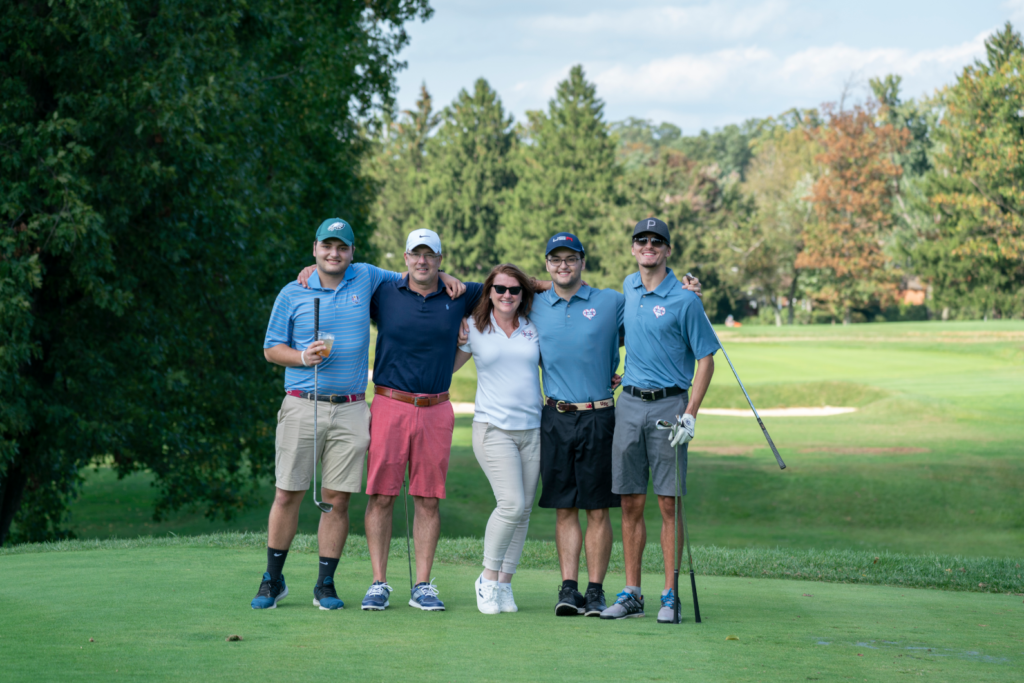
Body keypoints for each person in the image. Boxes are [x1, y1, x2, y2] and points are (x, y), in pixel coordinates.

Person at [253, 219, 463, 611]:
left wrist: (444, 272)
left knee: (337, 500)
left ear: (352, 252)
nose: (334, 254)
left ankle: (325, 585)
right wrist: (301, 357)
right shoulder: (292, 291)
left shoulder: (365, 277)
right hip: (302, 402)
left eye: (342, 247)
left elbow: (414, 274)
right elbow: (270, 349)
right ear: (315, 248)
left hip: (351, 407)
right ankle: (272, 580)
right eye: (327, 247)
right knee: (287, 493)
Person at [600, 217, 719, 623]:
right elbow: (622, 334)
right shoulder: (628, 290)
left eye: (656, 241)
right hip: (629, 405)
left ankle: (670, 594)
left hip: (670, 408)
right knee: (629, 501)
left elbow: (706, 360)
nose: (648, 246)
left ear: (667, 250)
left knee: (668, 503)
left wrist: (690, 413)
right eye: (641, 240)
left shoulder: (686, 300)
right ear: (633, 249)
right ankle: (632, 591)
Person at [360, 229, 484, 612]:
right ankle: (379, 582)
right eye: (417, 254)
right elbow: (342, 272)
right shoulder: (384, 292)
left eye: (430, 255)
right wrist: (308, 270)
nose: (423, 261)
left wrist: (558, 279)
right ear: (405, 257)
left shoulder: (461, 295)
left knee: (428, 499)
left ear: (441, 260)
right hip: (389, 403)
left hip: (436, 408)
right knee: (381, 495)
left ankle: (423, 585)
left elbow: (512, 283)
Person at [526, 233, 623, 617]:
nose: (563, 265)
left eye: (570, 258)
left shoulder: (610, 301)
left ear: (582, 261)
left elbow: (650, 329)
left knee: (597, 507)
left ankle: (595, 590)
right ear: (547, 264)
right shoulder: (534, 304)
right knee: (564, 506)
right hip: (555, 416)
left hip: (599, 414)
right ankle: (569, 587)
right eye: (555, 259)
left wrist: (625, 372)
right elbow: (493, 289)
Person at [453, 264, 541, 615]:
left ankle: (505, 584)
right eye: (500, 289)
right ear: (488, 292)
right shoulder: (473, 328)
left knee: (523, 513)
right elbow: (446, 368)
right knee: (511, 504)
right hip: (493, 429)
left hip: (532, 430)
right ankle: (487, 579)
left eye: (515, 290)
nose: (507, 295)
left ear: (523, 295)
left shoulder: (533, 328)